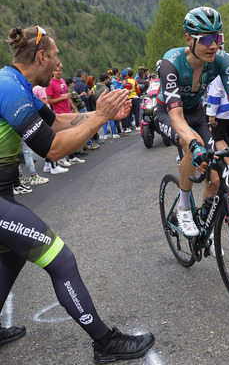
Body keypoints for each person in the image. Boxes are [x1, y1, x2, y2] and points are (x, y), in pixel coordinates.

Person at [0, 26, 154, 362]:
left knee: (11, 254)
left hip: (3, 195)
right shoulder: (9, 89)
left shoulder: (15, 83)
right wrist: (99, 117)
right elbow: (52, 149)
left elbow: (57, 123)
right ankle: (105, 343)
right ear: (41, 56)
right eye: (55, 56)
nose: (58, 63)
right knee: (61, 259)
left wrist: (101, 113)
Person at [154, 6, 229, 240]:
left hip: (196, 113)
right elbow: (176, 117)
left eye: (218, 38)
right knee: (193, 145)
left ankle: (205, 223)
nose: (213, 45)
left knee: (216, 177)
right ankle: (185, 209)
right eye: (206, 39)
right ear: (189, 39)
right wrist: (193, 144)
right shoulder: (172, 61)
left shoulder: (222, 60)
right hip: (168, 113)